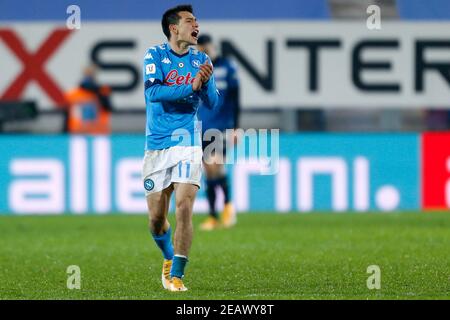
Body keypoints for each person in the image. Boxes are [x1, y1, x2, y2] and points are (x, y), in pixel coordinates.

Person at [142, 4, 220, 292]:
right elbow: (153, 92)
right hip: (158, 145)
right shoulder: (154, 55)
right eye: (190, 21)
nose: (196, 25)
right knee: (156, 220)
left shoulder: (201, 59)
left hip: (187, 141)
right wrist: (192, 84)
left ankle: (177, 274)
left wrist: (207, 82)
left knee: (184, 207)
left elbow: (212, 103)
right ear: (174, 28)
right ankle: (167, 256)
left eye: (197, 21)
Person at [196, 34, 240, 231]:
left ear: (212, 47)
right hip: (202, 126)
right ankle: (213, 216)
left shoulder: (227, 68)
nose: (203, 52)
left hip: (220, 126)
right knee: (209, 171)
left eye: (205, 48)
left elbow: (236, 99)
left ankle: (228, 205)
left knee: (215, 164)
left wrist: (236, 127)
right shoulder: (197, 68)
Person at [64, 64, 113, 134]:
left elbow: (108, 108)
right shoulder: (73, 94)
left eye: (91, 74)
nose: (89, 76)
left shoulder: (102, 92)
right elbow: (67, 115)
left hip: (99, 131)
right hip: (79, 131)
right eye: (87, 74)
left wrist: (99, 92)